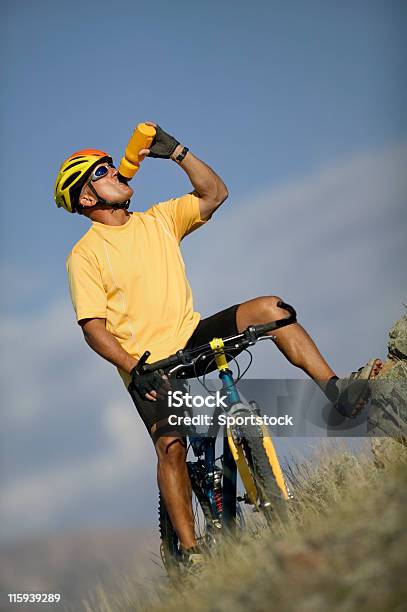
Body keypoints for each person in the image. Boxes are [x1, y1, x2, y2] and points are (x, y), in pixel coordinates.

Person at [54, 122, 381, 565]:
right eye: (100, 173)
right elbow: (94, 329)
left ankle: (337, 394)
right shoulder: (85, 255)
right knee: (171, 444)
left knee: (273, 309)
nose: (113, 171)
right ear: (87, 199)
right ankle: (191, 553)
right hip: (150, 363)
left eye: (113, 166)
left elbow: (214, 193)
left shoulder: (158, 220)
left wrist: (176, 152)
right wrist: (135, 367)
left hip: (190, 335)